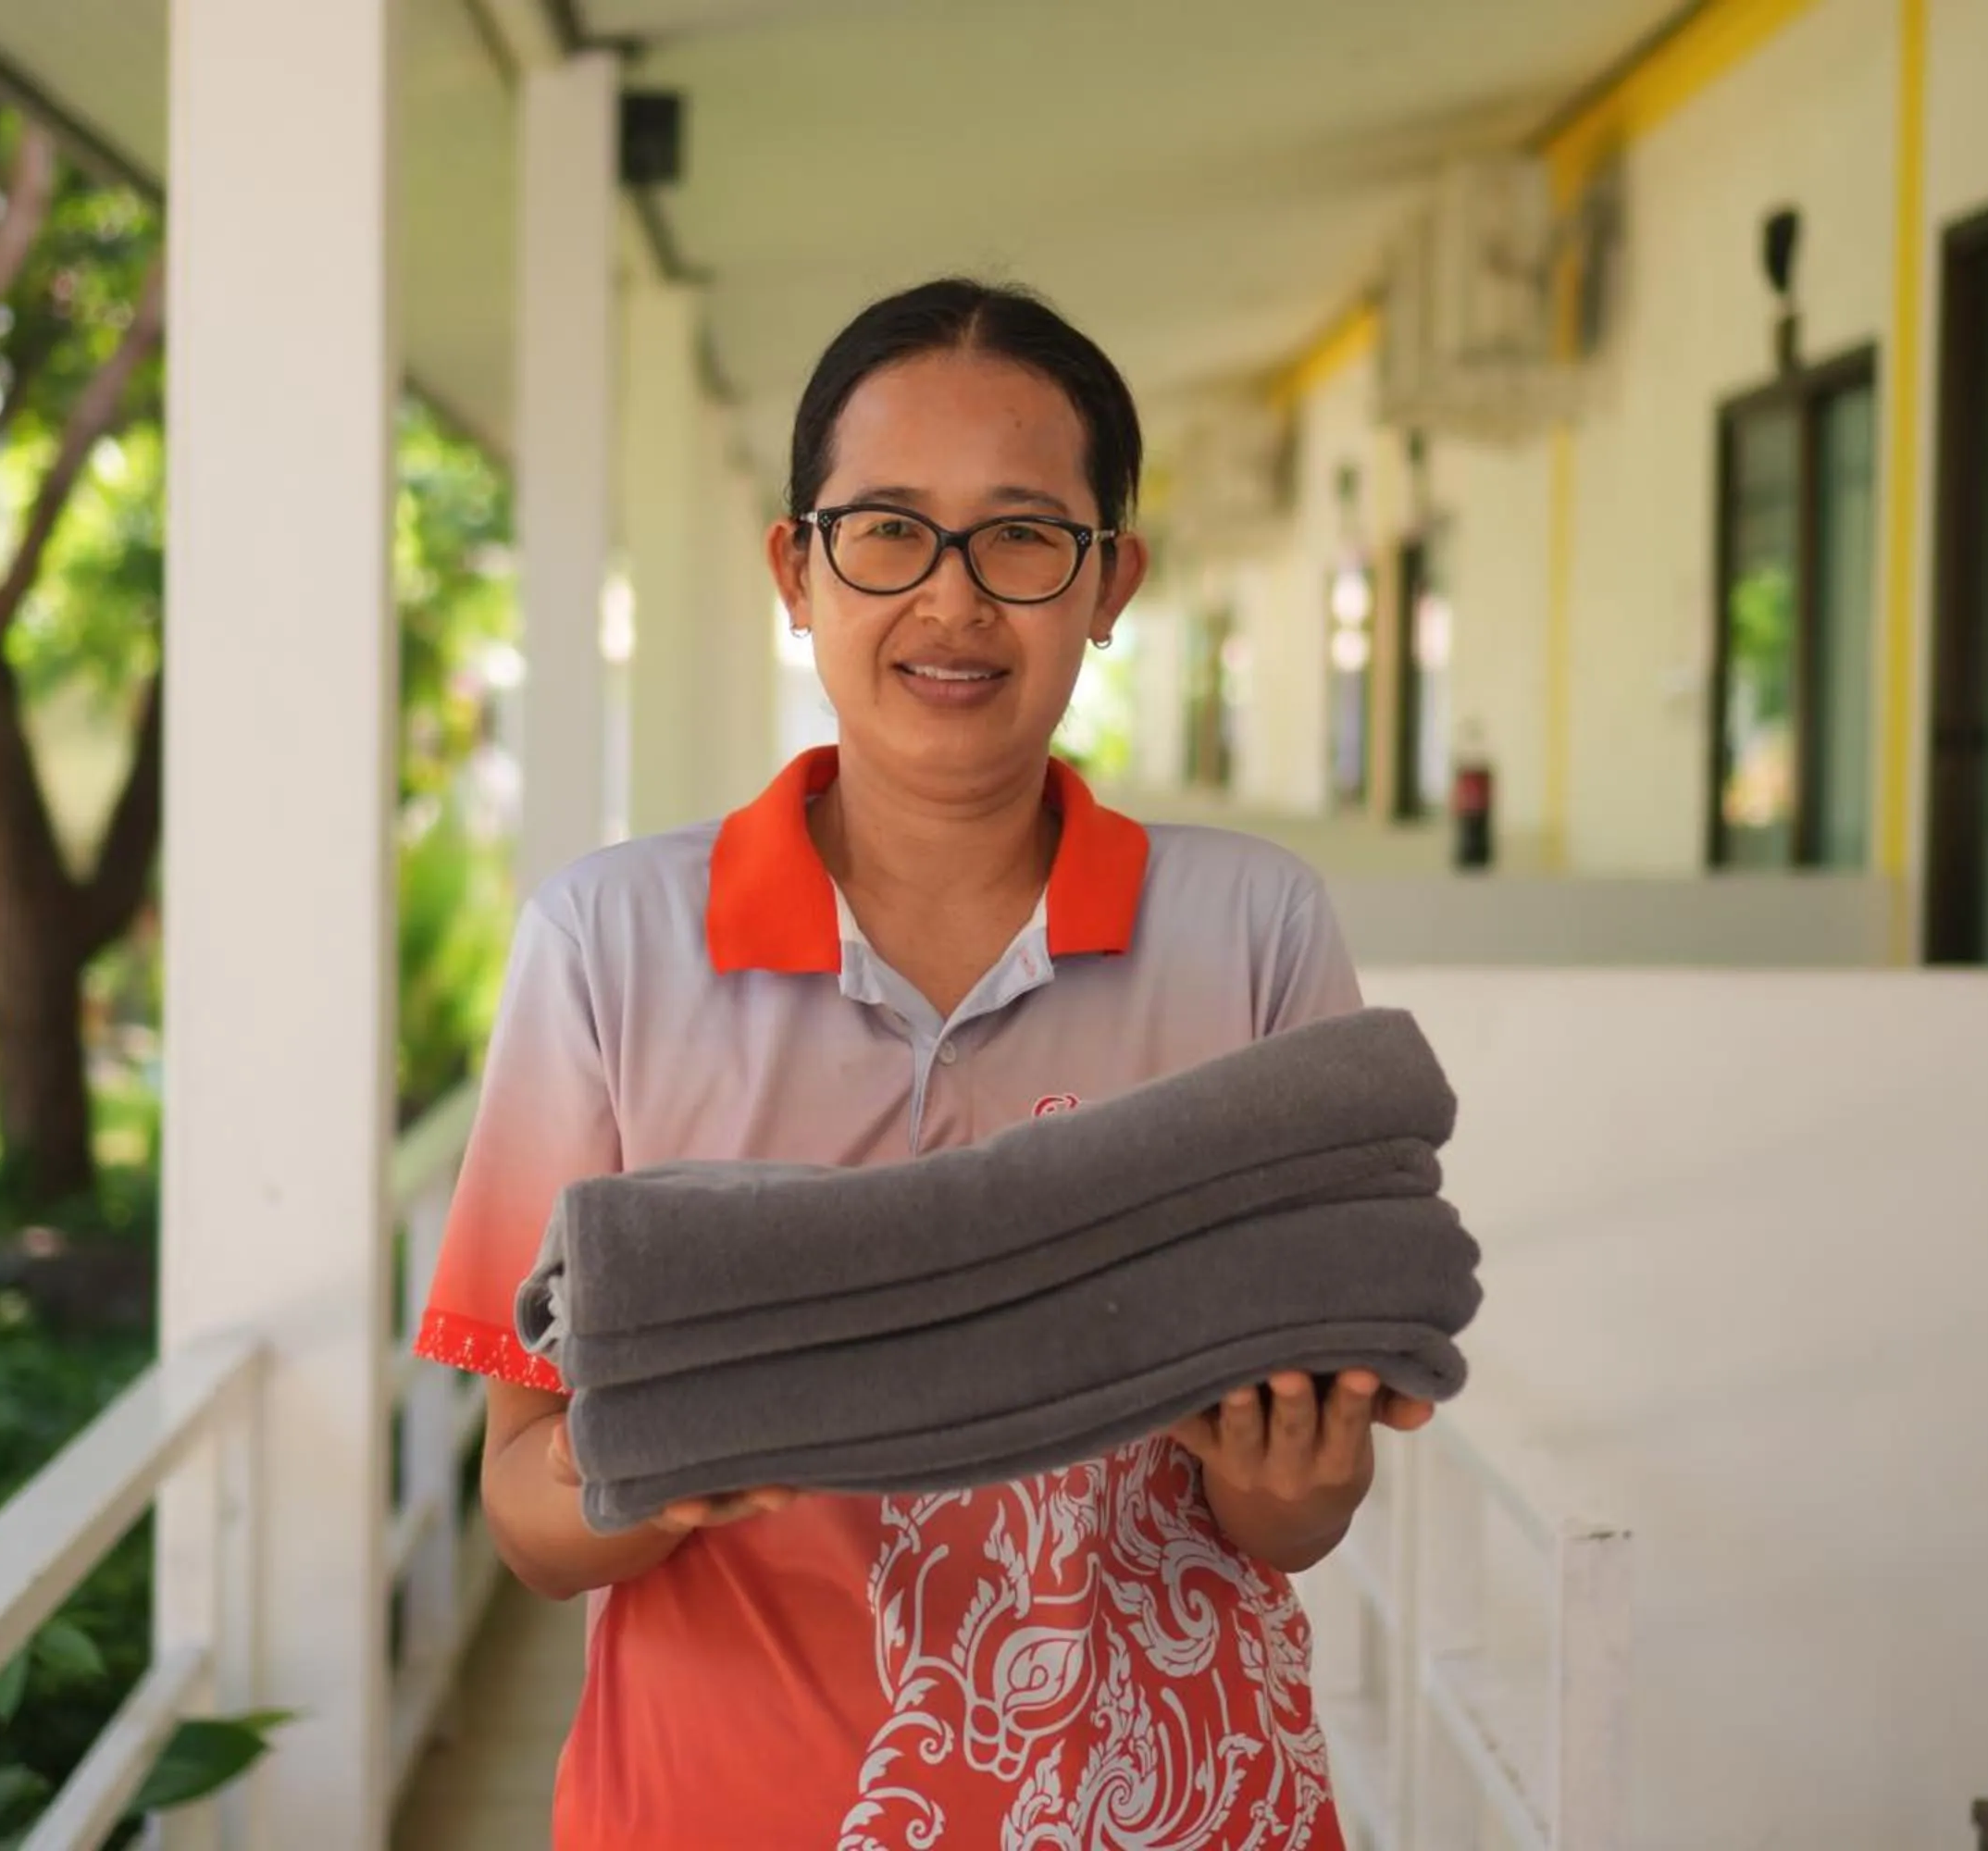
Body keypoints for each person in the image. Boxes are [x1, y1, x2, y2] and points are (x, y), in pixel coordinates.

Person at [416, 276, 1434, 1851]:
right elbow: (531, 1522)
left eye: (1023, 538)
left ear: (1110, 585)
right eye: (886, 529)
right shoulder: (607, 945)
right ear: (796, 570)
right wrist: (675, 1461)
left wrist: (1294, 1480)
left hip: (1163, 1811)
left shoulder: (1250, 930)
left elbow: (1292, 1513)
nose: (952, 601)